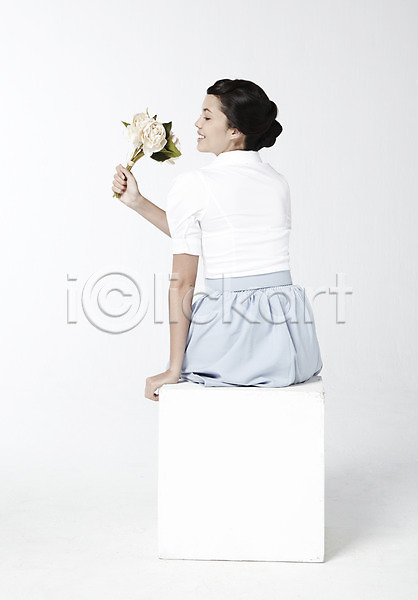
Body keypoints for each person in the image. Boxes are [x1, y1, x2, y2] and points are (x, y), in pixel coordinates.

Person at [112, 78, 323, 401]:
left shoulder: (194, 184)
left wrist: (173, 369)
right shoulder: (277, 182)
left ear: (235, 130)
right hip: (289, 339)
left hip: (232, 334)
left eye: (207, 116)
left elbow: (183, 284)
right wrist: (138, 202)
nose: (197, 123)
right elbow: (215, 234)